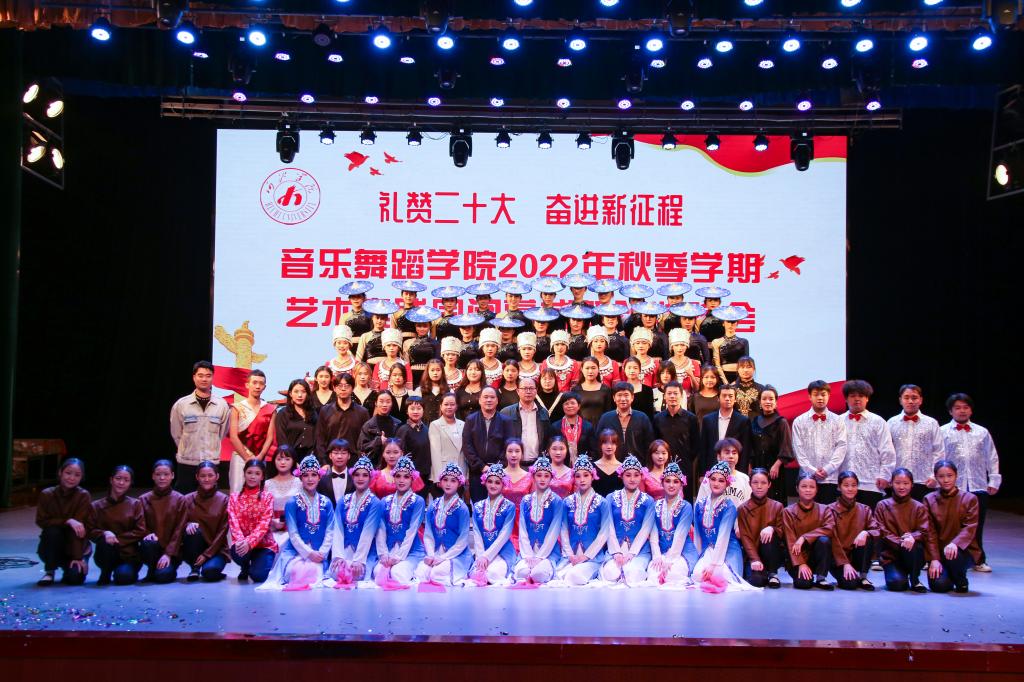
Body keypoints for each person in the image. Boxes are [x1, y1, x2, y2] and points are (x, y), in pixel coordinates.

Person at [940, 393, 999, 573]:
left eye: (965, 407)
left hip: (977, 485)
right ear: (950, 411)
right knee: (950, 525)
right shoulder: (942, 431)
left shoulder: (982, 432)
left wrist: (994, 479)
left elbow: (991, 457)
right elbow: (938, 457)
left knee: (976, 525)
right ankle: (945, 558)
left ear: (971, 410)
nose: (962, 411)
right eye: (957, 408)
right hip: (952, 487)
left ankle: (978, 559)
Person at [258, 455, 336, 590]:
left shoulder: (326, 502)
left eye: (313, 475)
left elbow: (330, 530)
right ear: (300, 478)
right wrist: (308, 553)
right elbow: (293, 534)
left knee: (314, 571)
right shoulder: (292, 503)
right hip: (296, 551)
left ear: (319, 477)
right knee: (296, 572)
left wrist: (322, 553)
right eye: (306, 475)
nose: (310, 479)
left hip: (319, 552)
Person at [692, 461, 754, 592]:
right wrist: (698, 558)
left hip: (728, 549)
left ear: (727, 484)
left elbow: (723, 537)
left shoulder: (729, 506)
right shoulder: (700, 504)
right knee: (697, 574)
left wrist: (714, 564)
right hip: (708, 549)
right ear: (708, 480)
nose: (716, 483)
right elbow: (697, 535)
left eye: (721, 481)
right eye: (713, 479)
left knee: (720, 576)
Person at [170, 361, 230, 493]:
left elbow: (222, 433)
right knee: (185, 500)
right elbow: (176, 433)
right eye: (200, 375)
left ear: (213, 378)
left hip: (211, 463)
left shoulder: (222, 405)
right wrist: (187, 448)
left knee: (209, 500)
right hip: (187, 463)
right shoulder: (181, 404)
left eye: (208, 376)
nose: (204, 379)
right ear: (194, 377)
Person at [925, 460, 980, 594]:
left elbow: (970, 527)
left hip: (963, 551)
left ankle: (961, 580)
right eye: (941, 476)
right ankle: (950, 573)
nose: (946, 480)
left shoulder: (970, 498)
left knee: (953, 555)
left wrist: (955, 543)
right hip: (940, 552)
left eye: (949, 476)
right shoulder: (929, 499)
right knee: (939, 586)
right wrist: (934, 559)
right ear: (936, 477)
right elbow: (929, 532)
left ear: (956, 476)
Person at [600, 455, 656, 586]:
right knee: (610, 573)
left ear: (641, 476)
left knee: (632, 573)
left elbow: (645, 530)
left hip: (639, 551)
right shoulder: (610, 498)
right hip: (615, 549)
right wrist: (616, 552)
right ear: (621, 476)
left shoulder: (648, 501)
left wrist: (631, 553)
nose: (632, 479)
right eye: (628, 475)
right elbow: (608, 527)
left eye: (636, 475)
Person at [555, 455, 610, 587]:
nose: (582, 480)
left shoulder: (602, 502)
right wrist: (570, 555)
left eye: (586, 475)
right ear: (574, 478)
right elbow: (563, 529)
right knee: (558, 575)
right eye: (578, 476)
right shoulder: (567, 502)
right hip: (571, 556)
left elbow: (604, 532)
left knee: (574, 576)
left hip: (593, 557)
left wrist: (586, 556)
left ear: (593, 476)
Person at [372, 456, 427, 587]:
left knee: (397, 573)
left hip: (411, 551)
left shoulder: (418, 501)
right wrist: (383, 554)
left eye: (406, 477)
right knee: (378, 573)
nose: (401, 480)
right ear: (393, 477)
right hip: (390, 550)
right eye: (398, 476)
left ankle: (415, 573)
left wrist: (399, 557)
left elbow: (412, 531)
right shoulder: (384, 501)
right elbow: (381, 530)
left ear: (412, 479)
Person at [840, 380, 896, 508]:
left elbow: (887, 450)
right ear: (846, 399)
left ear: (867, 398)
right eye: (853, 396)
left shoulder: (878, 421)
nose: (857, 399)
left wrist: (885, 475)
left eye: (861, 396)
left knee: (869, 518)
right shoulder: (838, 421)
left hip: (871, 483)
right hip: (843, 482)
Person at [35, 457, 91, 586]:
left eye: (77, 475)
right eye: (68, 473)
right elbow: (41, 521)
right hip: (52, 545)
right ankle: (50, 571)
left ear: (81, 477)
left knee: (75, 578)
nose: (71, 478)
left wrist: (78, 557)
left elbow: (80, 530)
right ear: (60, 472)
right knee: (53, 531)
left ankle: (69, 568)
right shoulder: (47, 494)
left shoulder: (83, 495)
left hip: (75, 545)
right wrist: (67, 521)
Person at [416, 463, 473, 586]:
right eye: (445, 480)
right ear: (440, 482)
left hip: (456, 555)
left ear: (459, 484)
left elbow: (463, 540)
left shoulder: (462, 508)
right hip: (436, 552)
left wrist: (443, 557)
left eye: (453, 481)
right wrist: (431, 555)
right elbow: (428, 534)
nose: (448, 484)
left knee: (436, 573)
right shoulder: (433, 505)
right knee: (421, 572)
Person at [874, 468, 930, 592]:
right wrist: (901, 541)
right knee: (897, 585)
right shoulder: (882, 505)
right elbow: (881, 530)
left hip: (912, 553)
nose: (901, 487)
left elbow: (924, 531)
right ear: (891, 484)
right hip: (891, 556)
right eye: (897, 483)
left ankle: (915, 579)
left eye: (905, 483)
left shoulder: (919, 507)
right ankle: (900, 575)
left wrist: (912, 537)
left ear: (912, 485)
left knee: (914, 545)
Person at [89, 465, 147, 586]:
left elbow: (140, 530)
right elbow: (90, 530)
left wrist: (117, 539)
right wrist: (104, 533)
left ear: (130, 483)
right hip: (106, 551)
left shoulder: (135, 504)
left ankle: (127, 571)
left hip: (128, 554)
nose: (121, 483)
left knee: (123, 577)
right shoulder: (96, 506)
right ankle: (105, 572)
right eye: (118, 478)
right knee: (105, 540)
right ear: (111, 480)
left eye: (126, 480)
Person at [330, 455, 382, 588]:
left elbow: (368, 533)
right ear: (352, 476)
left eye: (365, 475)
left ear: (371, 478)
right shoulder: (343, 500)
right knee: (336, 572)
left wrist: (359, 560)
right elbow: (337, 529)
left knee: (355, 572)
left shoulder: (375, 503)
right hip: (344, 551)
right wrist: (338, 556)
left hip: (365, 553)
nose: (360, 478)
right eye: (357, 475)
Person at [791, 380, 846, 504]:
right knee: (806, 512)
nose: (820, 398)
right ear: (809, 396)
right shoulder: (799, 421)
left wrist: (828, 469)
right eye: (816, 394)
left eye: (823, 394)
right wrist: (812, 470)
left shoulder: (838, 420)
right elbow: (798, 449)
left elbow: (841, 446)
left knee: (828, 512)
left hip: (830, 477)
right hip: (807, 478)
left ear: (829, 396)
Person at [886, 384, 945, 501]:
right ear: (900, 400)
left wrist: (934, 476)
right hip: (898, 480)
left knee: (924, 511)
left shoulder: (931, 423)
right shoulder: (891, 423)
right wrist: (887, 475)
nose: (910, 401)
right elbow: (886, 452)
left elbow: (939, 451)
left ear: (921, 400)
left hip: (925, 480)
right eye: (906, 397)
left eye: (914, 397)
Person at [513, 456, 564, 585]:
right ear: (533, 477)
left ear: (551, 478)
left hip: (548, 551)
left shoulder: (556, 501)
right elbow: (522, 529)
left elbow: (554, 531)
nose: (542, 479)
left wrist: (540, 556)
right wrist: (528, 555)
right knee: (522, 573)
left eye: (546, 476)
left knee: (538, 574)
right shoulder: (526, 500)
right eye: (539, 475)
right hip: (528, 550)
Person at [646, 462, 697, 589]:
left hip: (683, 552)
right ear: (662, 483)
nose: (671, 485)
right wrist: (657, 556)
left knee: (672, 574)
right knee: (653, 574)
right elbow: (653, 534)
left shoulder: (686, 506)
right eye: (668, 481)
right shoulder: (655, 505)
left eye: (676, 481)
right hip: (662, 552)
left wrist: (670, 560)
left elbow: (680, 536)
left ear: (681, 484)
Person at [177, 461, 230, 583]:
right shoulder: (187, 499)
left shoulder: (224, 500)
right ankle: (194, 568)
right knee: (193, 530)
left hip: (216, 549)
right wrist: (187, 525)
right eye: (203, 476)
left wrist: (207, 554)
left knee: (210, 572)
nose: (206, 479)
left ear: (217, 477)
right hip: (193, 548)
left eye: (210, 475)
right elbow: (179, 524)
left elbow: (223, 531)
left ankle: (212, 567)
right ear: (197, 477)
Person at [782, 474, 836, 590]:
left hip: (816, 556)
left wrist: (804, 537)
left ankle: (821, 578)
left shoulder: (825, 509)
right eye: (804, 486)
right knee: (803, 584)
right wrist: (801, 563)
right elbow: (790, 540)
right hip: (797, 557)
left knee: (824, 540)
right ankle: (802, 572)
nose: (808, 490)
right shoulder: (788, 511)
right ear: (797, 488)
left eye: (812, 487)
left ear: (816, 489)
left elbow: (830, 528)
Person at [827, 471, 879, 591]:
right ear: (839, 487)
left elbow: (877, 530)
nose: (850, 489)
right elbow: (832, 538)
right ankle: (849, 575)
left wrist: (866, 532)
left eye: (854, 485)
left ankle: (863, 576)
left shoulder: (865, 509)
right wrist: (845, 563)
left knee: (868, 536)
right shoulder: (829, 509)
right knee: (850, 584)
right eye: (846, 485)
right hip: (838, 559)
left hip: (856, 556)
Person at [227, 459, 277, 583]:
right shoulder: (234, 497)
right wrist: (241, 542)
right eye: (249, 472)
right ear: (244, 473)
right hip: (242, 543)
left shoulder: (268, 497)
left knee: (258, 576)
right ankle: (245, 566)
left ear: (262, 476)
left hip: (263, 545)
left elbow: (264, 524)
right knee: (237, 551)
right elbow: (233, 523)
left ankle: (255, 566)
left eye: (257, 473)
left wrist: (249, 542)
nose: (252, 476)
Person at [468, 463, 518, 586]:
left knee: (492, 573)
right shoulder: (478, 506)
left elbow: (504, 535)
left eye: (497, 482)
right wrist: (480, 556)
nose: (493, 485)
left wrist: (487, 557)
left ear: (503, 484)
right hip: (482, 552)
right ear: (485, 482)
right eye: (490, 481)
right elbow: (477, 534)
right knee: (476, 574)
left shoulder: (509, 506)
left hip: (503, 551)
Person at [227, 369, 275, 493]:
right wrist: (247, 458)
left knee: (259, 492)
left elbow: (270, 437)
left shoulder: (270, 409)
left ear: (265, 387)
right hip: (240, 456)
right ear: (247, 385)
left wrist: (260, 457)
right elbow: (233, 436)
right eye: (254, 382)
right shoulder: (237, 408)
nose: (258, 386)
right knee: (237, 491)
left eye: (261, 383)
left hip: (260, 456)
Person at [139, 460, 186, 584]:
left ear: (172, 475)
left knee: (163, 576)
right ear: (153, 476)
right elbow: (140, 524)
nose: (162, 478)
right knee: (149, 543)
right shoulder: (143, 499)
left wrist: (168, 554)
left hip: (171, 551)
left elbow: (179, 528)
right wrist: (147, 534)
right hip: (151, 549)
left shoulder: (180, 499)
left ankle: (166, 567)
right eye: (158, 474)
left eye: (166, 474)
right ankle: (151, 569)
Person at [653, 381, 701, 499]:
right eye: (669, 393)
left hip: (685, 466)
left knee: (685, 500)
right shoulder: (657, 418)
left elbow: (696, 444)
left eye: (676, 393)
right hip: (662, 466)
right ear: (664, 396)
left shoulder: (691, 418)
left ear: (682, 395)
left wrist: (686, 458)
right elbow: (654, 443)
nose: (672, 396)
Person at [737, 468, 785, 589]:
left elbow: (782, 532)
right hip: (752, 554)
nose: (759, 486)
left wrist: (772, 528)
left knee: (770, 533)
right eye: (755, 482)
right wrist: (754, 559)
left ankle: (773, 573)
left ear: (769, 484)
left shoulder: (777, 506)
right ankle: (761, 571)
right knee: (757, 581)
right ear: (750, 484)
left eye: (763, 483)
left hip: (772, 553)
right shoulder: (743, 509)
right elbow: (745, 537)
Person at [462, 386, 511, 501]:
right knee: (479, 506)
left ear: (497, 401)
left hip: (500, 472)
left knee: (498, 506)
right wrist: (481, 466)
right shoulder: (471, 420)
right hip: (477, 472)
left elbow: (508, 446)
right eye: (485, 397)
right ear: (479, 400)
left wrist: (497, 467)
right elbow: (467, 446)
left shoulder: (506, 421)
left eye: (492, 397)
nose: (489, 400)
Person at [749, 386, 794, 507]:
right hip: (757, 467)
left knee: (774, 502)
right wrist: (750, 466)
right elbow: (750, 446)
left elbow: (786, 447)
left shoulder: (781, 422)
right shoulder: (754, 421)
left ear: (776, 402)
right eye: (764, 399)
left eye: (771, 399)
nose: (767, 402)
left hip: (775, 470)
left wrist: (777, 465)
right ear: (760, 402)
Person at [698, 383, 752, 477]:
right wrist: (702, 474)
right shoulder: (708, 419)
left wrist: (742, 474)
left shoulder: (743, 421)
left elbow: (745, 450)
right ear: (718, 398)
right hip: (712, 468)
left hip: (734, 470)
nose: (727, 399)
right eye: (724, 396)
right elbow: (703, 448)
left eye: (730, 396)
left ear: (735, 399)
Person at [595, 382, 655, 465]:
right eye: (619, 395)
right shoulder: (605, 418)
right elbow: (598, 443)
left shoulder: (642, 418)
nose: (623, 399)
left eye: (626, 395)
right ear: (614, 398)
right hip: (611, 466)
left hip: (637, 466)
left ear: (632, 397)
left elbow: (649, 444)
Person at [499, 377, 550, 465]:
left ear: (536, 391)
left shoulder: (543, 412)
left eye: (531, 388)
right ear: (518, 391)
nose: (528, 391)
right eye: (525, 388)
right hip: (513, 464)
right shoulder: (506, 412)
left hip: (537, 464)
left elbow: (547, 439)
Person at [264, 445, 302, 549]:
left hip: (295, 529)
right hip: (273, 529)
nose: (283, 462)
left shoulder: (300, 483)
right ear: (274, 461)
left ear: (293, 461)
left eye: (287, 459)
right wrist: (273, 521)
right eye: (279, 459)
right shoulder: (267, 484)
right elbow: (263, 511)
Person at [696, 437, 751, 509]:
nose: (731, 456)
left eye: (734, 453)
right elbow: (699, 505)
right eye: (727, 453)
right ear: (718, 456)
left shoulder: (745, 478)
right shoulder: (710, 478)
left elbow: (749, 505)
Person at [428, 392, 466, 493]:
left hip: (460, 472)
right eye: (446, 404)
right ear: (441, 406)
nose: (449, 407)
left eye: (452, 404)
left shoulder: (463, 424)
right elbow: (435, 452)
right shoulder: (435, 425)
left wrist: (466, 475)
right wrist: (438, 477)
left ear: (456, 406)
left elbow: (465, 452)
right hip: (444, 473)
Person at [501, 439, 534, 552]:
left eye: (517, 451)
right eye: (510, 451)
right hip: (504, 520)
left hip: (523, 522)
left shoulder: (530, 477)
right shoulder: (499, 475)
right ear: (505, 453)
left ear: (522, 453)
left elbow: (533, 503)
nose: (514, 455)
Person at [274, 379, 318, 461]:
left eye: (303, 392)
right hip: (289, 457)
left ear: (307, 394)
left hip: (311, 458)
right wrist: (291, 459)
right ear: (290, 394)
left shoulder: (313, 413)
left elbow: (317, 438)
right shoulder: (283, 413)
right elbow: (281, 439)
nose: (300, 395)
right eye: (296, 392)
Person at [549, 393, 595, 464]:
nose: (570, 406)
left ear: (579, 406)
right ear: (562, 407)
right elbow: (550, 449)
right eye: (566, 404)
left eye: (572, 403)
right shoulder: (555, 427)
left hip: (583, 467)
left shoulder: (588, 426)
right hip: (561, 466)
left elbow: (593, 450)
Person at [397, 396, 431, 493]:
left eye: (419, 408)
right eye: (412, 409)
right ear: (407, 411)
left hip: (425, 474)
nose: (415, 411)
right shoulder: (403, 430)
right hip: (409, 476)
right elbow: (399, 453)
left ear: (423, 411)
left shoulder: (427, 429)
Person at [357, 392, 402, 465]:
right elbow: (362, 449)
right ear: (376, 403)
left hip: (395, 467)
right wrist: (378, 441)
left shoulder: (398, 424)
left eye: (388, 402)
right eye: (381, 401)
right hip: (374, 467)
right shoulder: (369, 425)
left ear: (392, 404)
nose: (384, 405)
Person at [709, 304, 748, 383]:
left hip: (740, 378)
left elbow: (746, 364)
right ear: (723, 323)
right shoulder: (716, 342)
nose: (730, 325)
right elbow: (717, 365)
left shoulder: (744, 342)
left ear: (737, 324)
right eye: (728, 321)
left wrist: (737, 382)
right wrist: (725, 382)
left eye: (733, 322)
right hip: (722, 378)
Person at [403, 306, 441, 386]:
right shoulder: (407, 343)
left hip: (430, 376)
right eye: (419, 326)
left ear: (429, 327)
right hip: (412, 376)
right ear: (415, 326)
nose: (422, 329)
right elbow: (406, 365)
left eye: (425, 326)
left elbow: (437, 363)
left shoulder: (436, 343)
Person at [354, 298, 396, 367]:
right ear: (372, 318)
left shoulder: (390, 335)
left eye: (382, 318)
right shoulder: (365, 336)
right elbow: (358, 358)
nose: (379, 321)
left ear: (386, 319)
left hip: (387, 369)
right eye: (377, 318)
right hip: (369, 369)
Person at [573, 357, 612, 425]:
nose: (590, 371)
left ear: (598, 369)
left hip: (601, 427)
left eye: (593, 368)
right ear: (582, 369)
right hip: (582, 428)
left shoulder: (606, 389)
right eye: (587, 368)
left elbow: (609, 412)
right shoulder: (575, 390)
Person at [316, 438, 355, 507]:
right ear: (330, 455)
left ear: (349, 456)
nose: (339, 456)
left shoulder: (354, 477)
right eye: (336, 453)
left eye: (343, 453)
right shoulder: (322, 478)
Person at [671, 302, 711, 366]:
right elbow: (668, 356)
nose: (687, 322)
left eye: (690, 319)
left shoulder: (700, 338)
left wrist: (701, 370)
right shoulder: (673, 336)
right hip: (677, 368)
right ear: (680, 320)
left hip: (695, 368)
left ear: (695, 320)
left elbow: (707, 360)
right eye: (684, 319)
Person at [665, 328, 700, 396]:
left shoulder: (694, 364)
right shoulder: (666, 364)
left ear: (686, 346)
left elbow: (697, 389)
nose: (680, 348)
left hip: (689, 399)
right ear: (672, 347)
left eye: (682, 345)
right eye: (676, 345)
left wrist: (691, 375)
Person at [592, 428, 625, 497]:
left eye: (613, 443)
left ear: (617, 445)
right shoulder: (592, 467)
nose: (609, 446)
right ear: (600, 445)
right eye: (605, 443)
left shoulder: (623, 468)